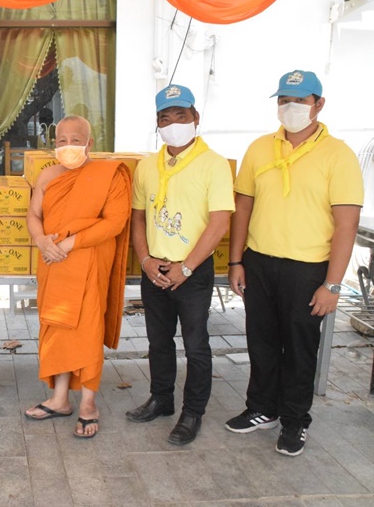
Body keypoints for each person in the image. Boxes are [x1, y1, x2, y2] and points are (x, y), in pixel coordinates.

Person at [226, 70, 363, 456]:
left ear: (319, 104)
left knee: (300, 347)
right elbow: (243, 207)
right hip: (260, 262)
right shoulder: (259, 148)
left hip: (308, 268)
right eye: (284, 100)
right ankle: (262, 409)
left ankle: (294, 421)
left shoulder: (339, 154)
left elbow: (346, 223)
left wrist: (332, 284)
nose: (290, 108)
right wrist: (237, 261)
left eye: (300, 101)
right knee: (262, 341)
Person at [127, 85, 235, 445]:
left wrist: (186, 268)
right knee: (158, 342)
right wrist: (145, 260)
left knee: (196, 344)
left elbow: (219, 223)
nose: (172, 124)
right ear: (157, 124)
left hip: (193, 271)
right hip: (155, 269)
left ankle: (193, 412)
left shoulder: (214, 164)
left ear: (195, 118)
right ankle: (161, 399)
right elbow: (138, 218)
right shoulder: (146, 166)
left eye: (180, 116)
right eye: (164, 118)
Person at [24, 115, 132, 439]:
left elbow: (115, 221)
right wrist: (42, 240)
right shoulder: (47, 176)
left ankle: (88, 403)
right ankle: (59, 399)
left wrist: (70, 242)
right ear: (53, 144)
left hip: (88, 258)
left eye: (75, 140)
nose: (68, 146)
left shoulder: (108, 175)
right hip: (53, 261)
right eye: (61, 141)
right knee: (56, 326)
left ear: (90, 143)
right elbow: (33, 215)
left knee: (86, 328)